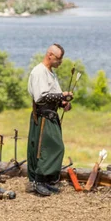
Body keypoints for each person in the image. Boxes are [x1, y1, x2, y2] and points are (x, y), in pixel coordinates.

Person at [26, 43, 72, 196]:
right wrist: (62, 95)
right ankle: (37, 182)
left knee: (55, 148)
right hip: (43, 118)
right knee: (43, 150)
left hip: (51, 117)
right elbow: (41, 97)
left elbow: (53, 95)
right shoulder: (39, 72)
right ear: (50, 55)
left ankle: (45, 181)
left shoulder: (50, 73)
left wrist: (63, 103)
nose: (60, 62)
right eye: (59, 58)